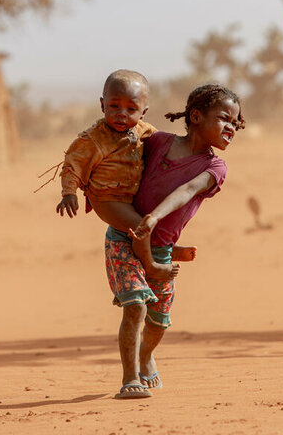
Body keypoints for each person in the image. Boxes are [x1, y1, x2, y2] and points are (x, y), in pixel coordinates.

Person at [103, 83, 245, 399]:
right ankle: (130, 379)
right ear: (195, 116)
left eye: (235, 123)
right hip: (124, 238)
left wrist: (153, 219)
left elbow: (186, 191)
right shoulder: (156, 142)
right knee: (135, 305)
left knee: (159, 321)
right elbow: (117, 147)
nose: (231, 128)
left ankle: (146, 355)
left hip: (160, 249)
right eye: (224, 118)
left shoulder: (214, 167)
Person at [56, 69, 184, 279]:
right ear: (102, 104)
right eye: (114, 106)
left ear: (143, 112)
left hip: (131, 196)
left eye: (131, 109)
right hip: (107, 199)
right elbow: (73, 162)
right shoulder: (95, 138)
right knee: (140, 226)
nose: (122, 113)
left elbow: (166, 144)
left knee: (156, 216)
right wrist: (68, 192)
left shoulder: (144, 130)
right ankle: (151, 265)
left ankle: (164, 247)